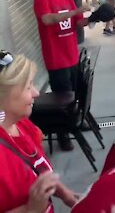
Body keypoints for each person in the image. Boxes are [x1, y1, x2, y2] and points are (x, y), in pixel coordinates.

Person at [0, 52, 79, 212]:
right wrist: (31, 210)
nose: (36, 93)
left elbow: (36, 171)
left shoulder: (23, 125)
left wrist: (62, 192)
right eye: (28, 87)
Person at [33, 0, 90, 151]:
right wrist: (74, 12)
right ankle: (63, 135)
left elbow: (77, 23)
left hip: (72, 55)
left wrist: (94, 17)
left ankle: (76, 123)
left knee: (75, 95)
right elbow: (47, 19)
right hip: (56, 59)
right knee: (62, 100)